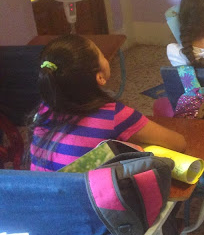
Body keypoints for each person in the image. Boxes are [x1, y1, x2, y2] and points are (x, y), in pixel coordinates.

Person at [29, 35, 186, 171]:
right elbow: (178, 143)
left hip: (42, 195)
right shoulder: (113, 114)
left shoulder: (44, 109)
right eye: (102, 55)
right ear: (100, 77)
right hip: (87, 196)